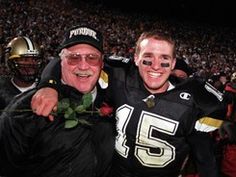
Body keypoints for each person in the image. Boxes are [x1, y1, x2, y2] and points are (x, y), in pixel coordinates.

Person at [31, 29, 230, 177]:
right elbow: (66, 59)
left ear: (174, 62)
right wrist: (48, 85)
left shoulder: (194, 99)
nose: (155, 67)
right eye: (147, 58)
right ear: (135, 58)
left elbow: (205, 158)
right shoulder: (120, 78)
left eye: (164, 60)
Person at [0, 25, 115, 177]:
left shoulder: (114, 96)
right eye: (74, 57)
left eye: (92, 57)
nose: (83, 65)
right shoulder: (23, 111)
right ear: (61, 61)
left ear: (102, 63)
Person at [0, 36, 43, 111]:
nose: (31, 63)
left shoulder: (46, 86)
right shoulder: (2, 89)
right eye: (24, 59)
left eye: (34, 59)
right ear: (11, 62)